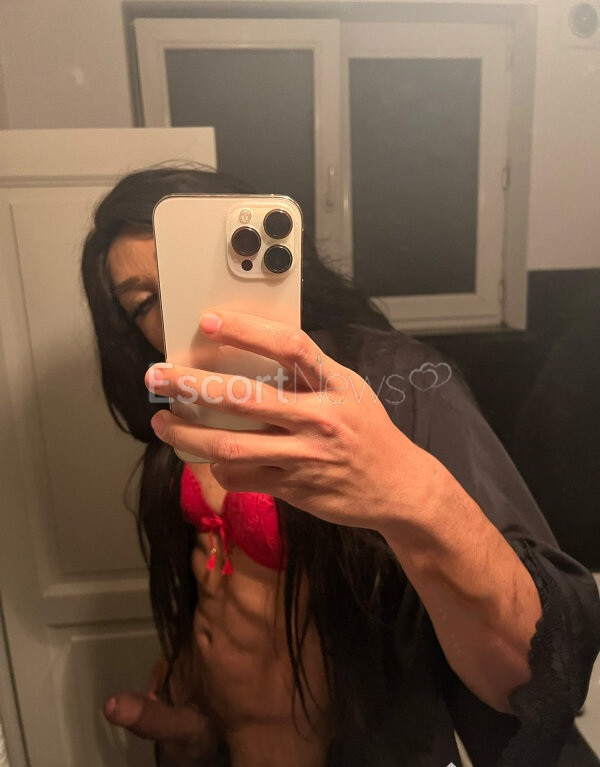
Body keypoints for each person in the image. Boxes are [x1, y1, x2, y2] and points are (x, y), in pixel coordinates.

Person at [81, 166, 600, 767]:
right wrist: (191, 723)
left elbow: (545, 668)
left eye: (187, 274)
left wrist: (405, 492)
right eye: (144, 302)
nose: (175, 312)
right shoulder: (179, 418)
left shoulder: (389, 380)